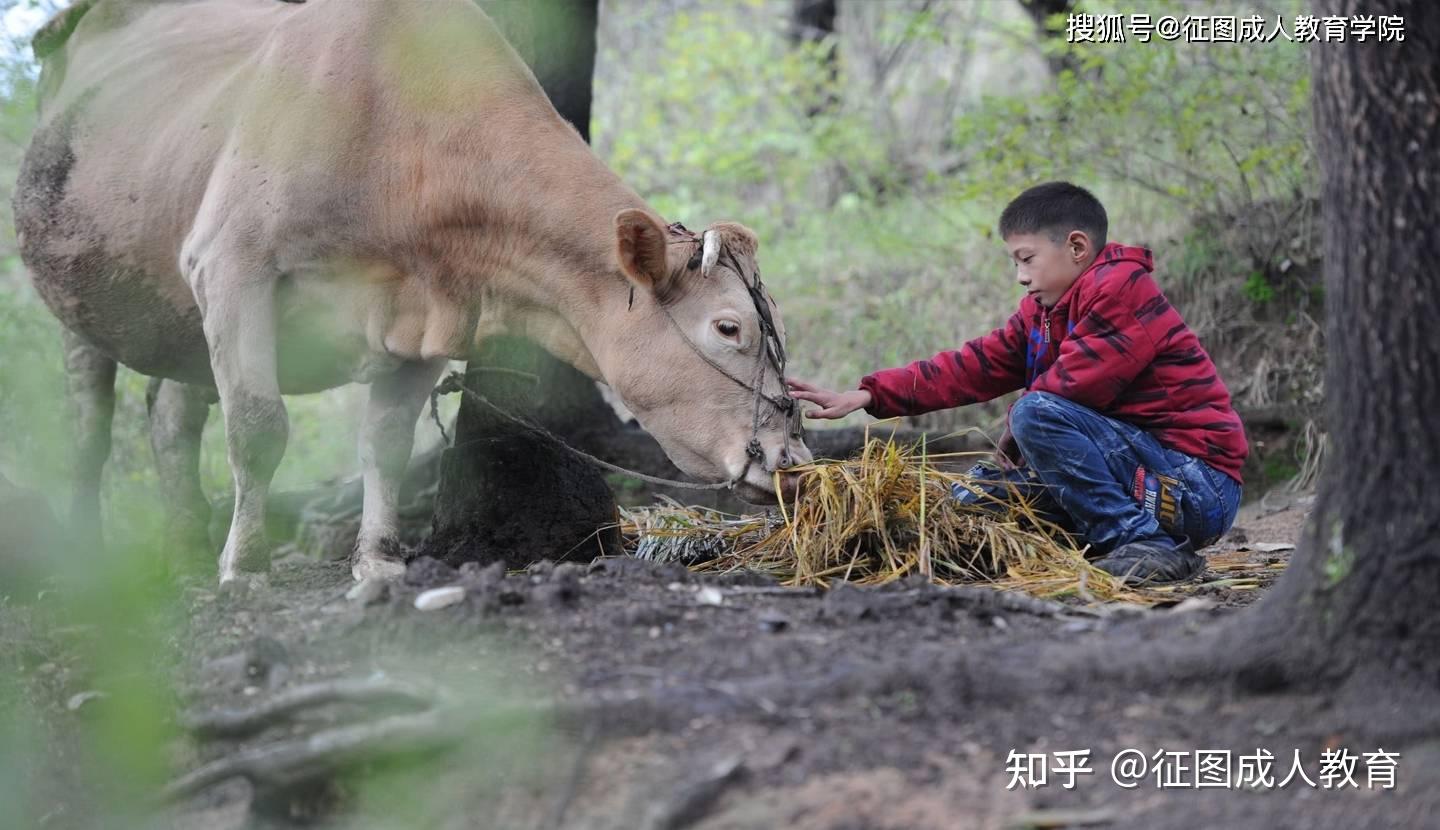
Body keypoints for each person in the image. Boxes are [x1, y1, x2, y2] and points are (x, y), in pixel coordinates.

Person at [787, 182, 1246, 584]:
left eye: (1027, 259)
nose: (1021, 276)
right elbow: (975, 365)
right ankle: (1111, 541)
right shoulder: (1043, 312)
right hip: (1136, 476)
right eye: (1015, 262)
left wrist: (1016, 434)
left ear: (1077, 248)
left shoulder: (1122, 290)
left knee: (1036, 414)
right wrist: (868, 394)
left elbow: (1067, 390)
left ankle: (1144, 544)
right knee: (973, 499)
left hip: (1194, 487)